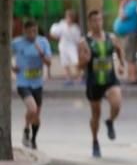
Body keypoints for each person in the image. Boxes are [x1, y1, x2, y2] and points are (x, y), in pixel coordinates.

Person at [78, 10, 125, 158]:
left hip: (110, 79)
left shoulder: (111, 37)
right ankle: (95, 141)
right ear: (89, 23)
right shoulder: (84, 41)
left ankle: (110, 121)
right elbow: (79, 65)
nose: (97, 23)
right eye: (94, 21)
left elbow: (119, 49)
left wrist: (122, 64)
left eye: (100, 20)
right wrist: (84, 60)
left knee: (117, 103)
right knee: (95, 115)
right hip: (94, 82)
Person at [11, 20, 52, 150]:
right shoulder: (17, 43)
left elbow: (49, 63)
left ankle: (32, 138)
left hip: (37, 84)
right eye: (29, 32)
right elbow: (4, 53)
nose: (32, 34)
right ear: (24, 31)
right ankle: (26, 130)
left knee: (36, 115)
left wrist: (41, 53)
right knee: (32, 108)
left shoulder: (43, 42)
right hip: (23, 82)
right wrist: (12, 67)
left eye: (34, 31)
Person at [113, 0, 137, 84]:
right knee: (129, 56)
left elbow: (122, 16)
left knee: (130, 57)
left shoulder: (133, 4)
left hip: (131, 34)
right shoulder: (129, 4)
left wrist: (121, 6)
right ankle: (131, 77)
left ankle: (133, 78)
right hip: (127, 34)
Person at [49, 9, 83, 84]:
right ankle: (68, 78)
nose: (69, 19)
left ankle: (79, 77)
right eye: (68, 17)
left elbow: (77, 40)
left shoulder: (75, 27)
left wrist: (79, 48)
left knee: (75, 61)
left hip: (72, 46)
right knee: (65, 62)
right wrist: (54, 36)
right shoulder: (62, 25)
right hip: (63, 45)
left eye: (70, 17)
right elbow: (54, 33)